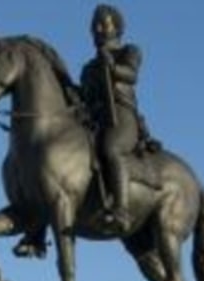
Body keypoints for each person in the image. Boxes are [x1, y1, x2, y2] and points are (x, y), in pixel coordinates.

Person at [79, 4, 150, 229]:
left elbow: (131, 75)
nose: (98, 29)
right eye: (95, 25)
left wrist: (112, 67)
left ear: (117, 28)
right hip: (95, 119)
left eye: (104, 24)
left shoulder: (128, 51)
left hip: (120, 114)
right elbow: (85, 97)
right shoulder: (88, 68)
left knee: (111, 149)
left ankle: (121, 209)